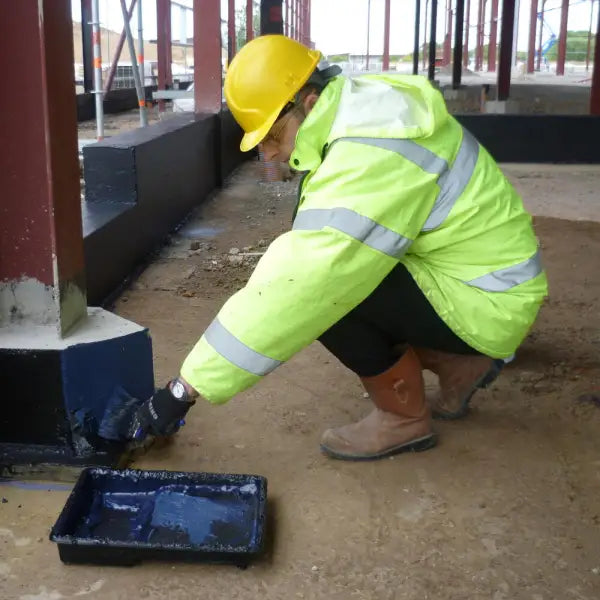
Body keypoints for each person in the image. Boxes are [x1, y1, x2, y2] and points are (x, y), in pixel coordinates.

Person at [131, 35, 548, 461]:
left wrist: (182, 390)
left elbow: (306, 280)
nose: (268, 152)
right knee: (346, 268)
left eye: (273, 133)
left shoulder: (369, 152)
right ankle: (460, 365)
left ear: (309, 104)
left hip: (486, 300)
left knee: (330, 292)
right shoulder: (364, 114)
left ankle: (403, 419)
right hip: (489, 282)